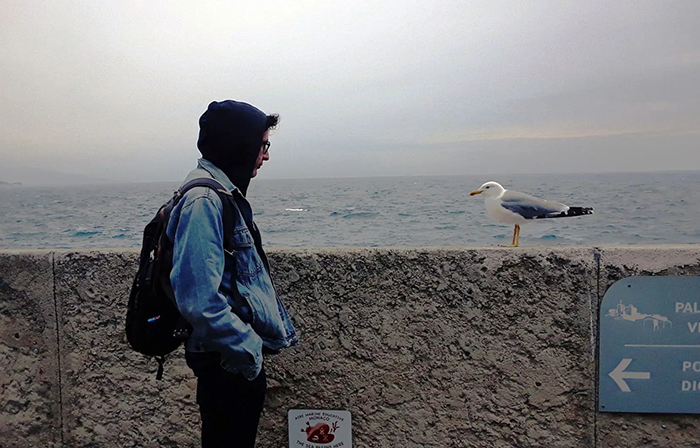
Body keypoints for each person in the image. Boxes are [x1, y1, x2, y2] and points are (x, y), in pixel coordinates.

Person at [166, 100, 298, 447]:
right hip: (226, 361)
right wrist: (249, 350)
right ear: (240, 144)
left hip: (229, 359)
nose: (266, 155)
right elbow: (198, 300)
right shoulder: (205, 201)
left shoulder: (219, 192)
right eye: (263, 144)